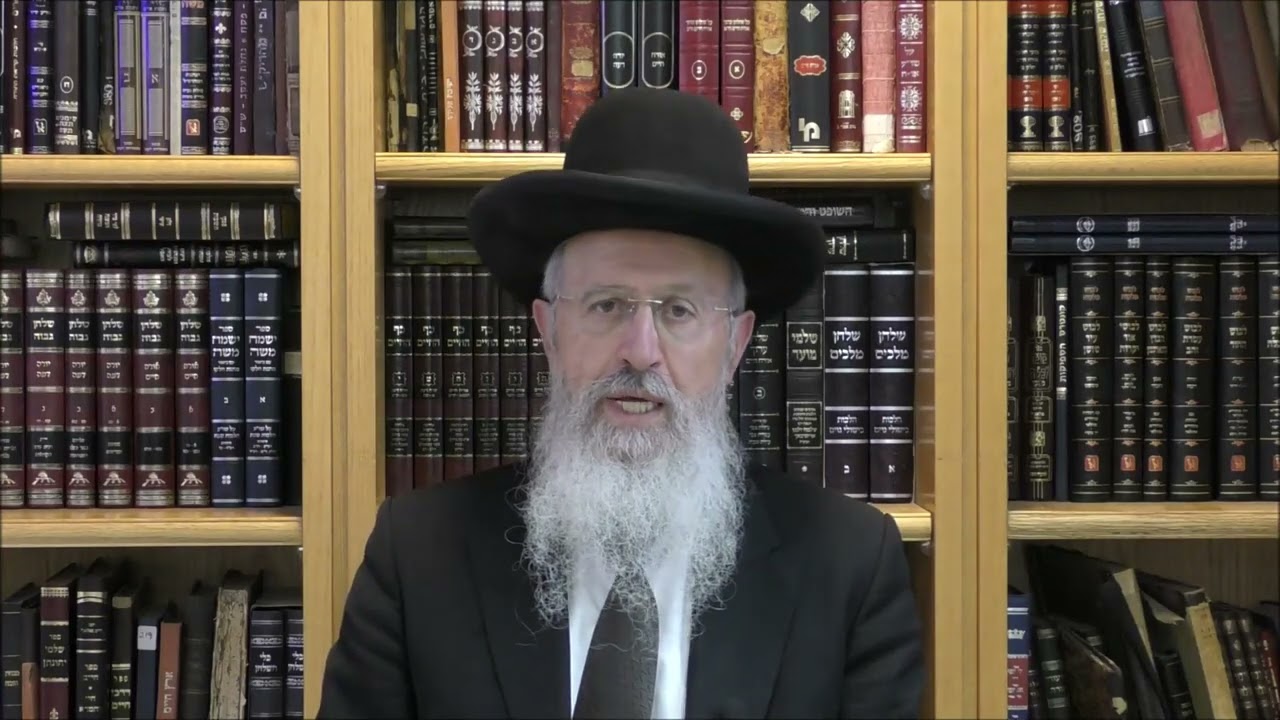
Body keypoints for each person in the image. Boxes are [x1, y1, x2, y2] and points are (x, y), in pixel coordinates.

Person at [317, 87, 925, 719]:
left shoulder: (849, 566)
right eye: (606, 305)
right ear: (549, 331)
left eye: (679, 311)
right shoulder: (418, 556)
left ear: (736, 345)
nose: (640, 352)